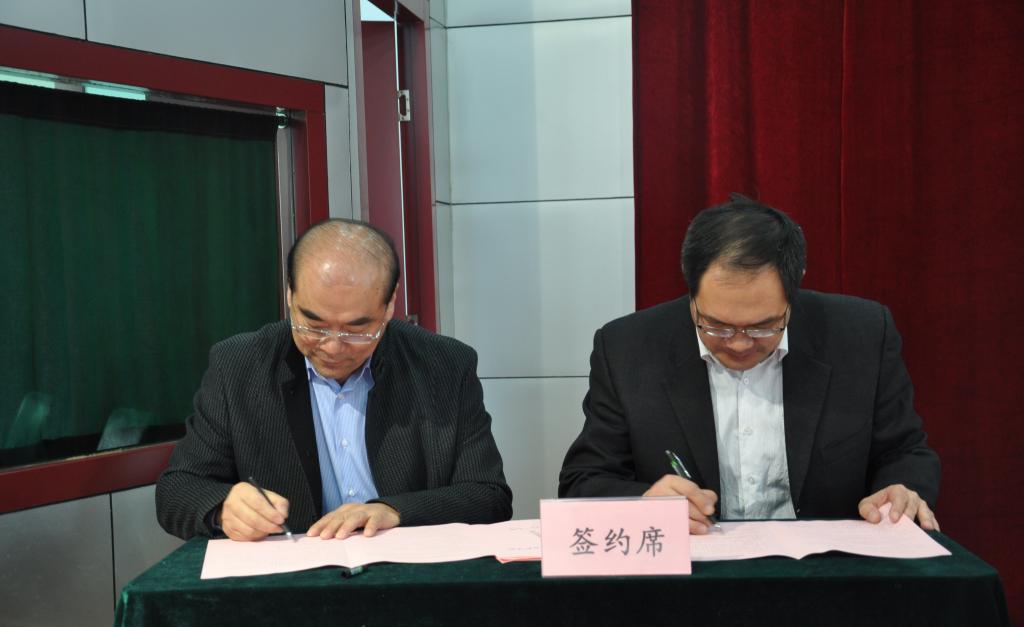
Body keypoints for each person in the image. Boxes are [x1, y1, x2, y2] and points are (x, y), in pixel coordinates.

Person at [558, 195, 940, 534]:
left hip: (828, 569)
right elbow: (583, 481)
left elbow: (905, 452)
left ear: (794, 290)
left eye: (763, 327)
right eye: (716, 326)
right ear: (691, 291)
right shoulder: (628, 348)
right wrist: (644, 504)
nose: (739, 344)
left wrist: (900, 491)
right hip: (694, 568)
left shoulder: (860, 335)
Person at [157, 219, 512, 541]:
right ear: (290, 296)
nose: (333, 346)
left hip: (406, 574)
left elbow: (488, 496)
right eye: (313, 325)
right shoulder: (239, 367)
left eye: (357, 329)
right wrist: (223, 507)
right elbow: (177, 490)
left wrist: (394, 510)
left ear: (389, 305)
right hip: (289, 580)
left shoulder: (444, 366)